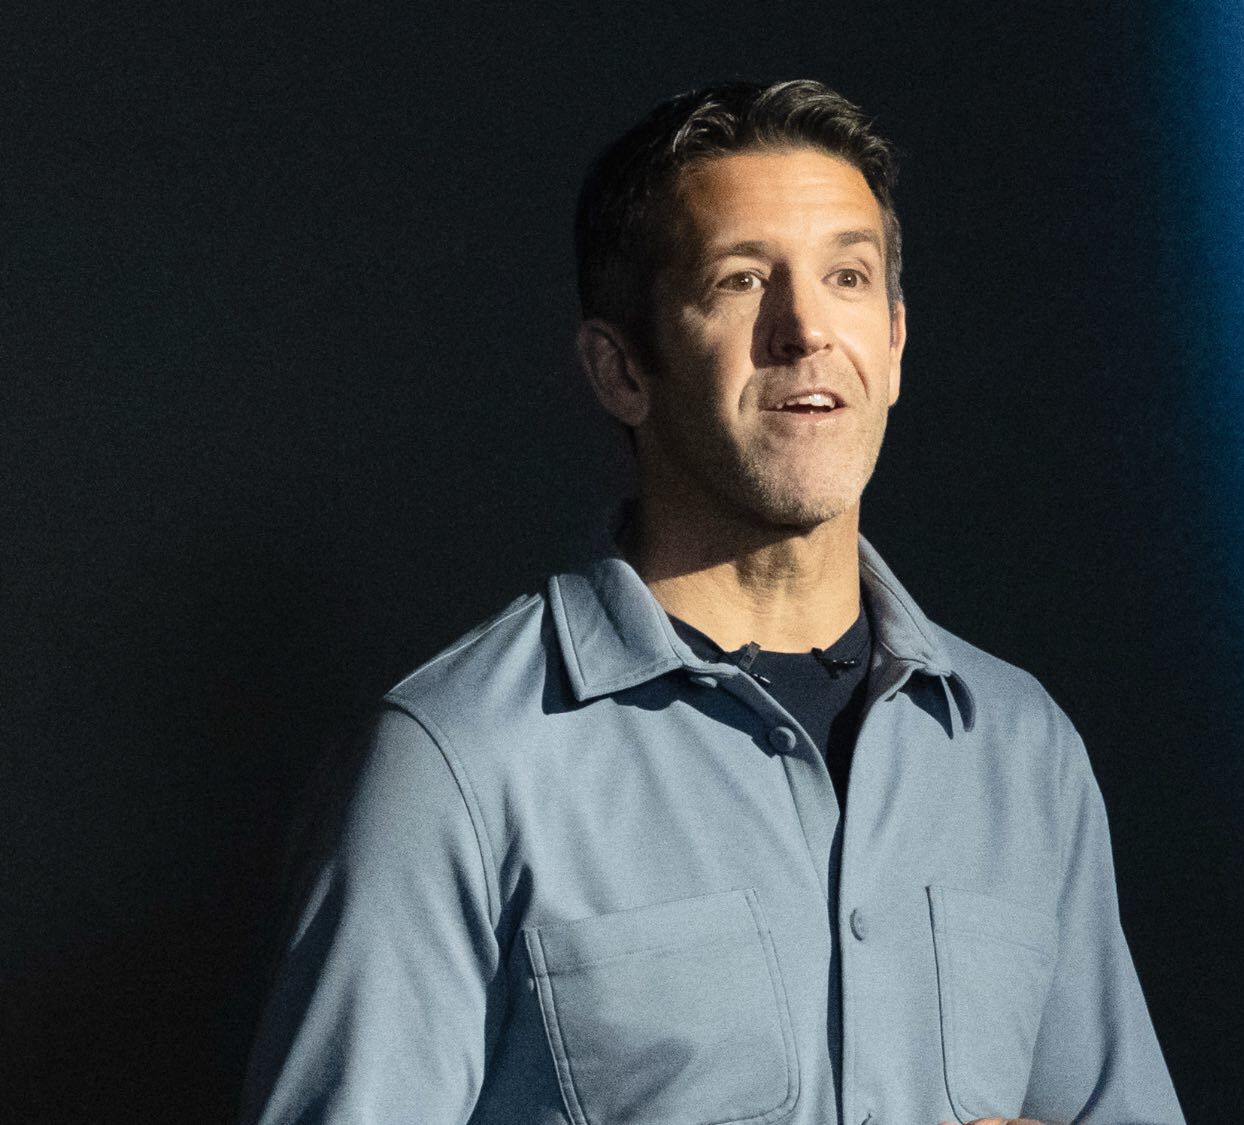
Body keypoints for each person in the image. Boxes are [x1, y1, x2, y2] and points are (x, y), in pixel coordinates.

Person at [236, 79, 1185, 1125]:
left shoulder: (1019, 752)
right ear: (620, 369)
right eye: (740, 282)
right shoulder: (456, 761)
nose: (805, 329)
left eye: (848, 277)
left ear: (897, 345)